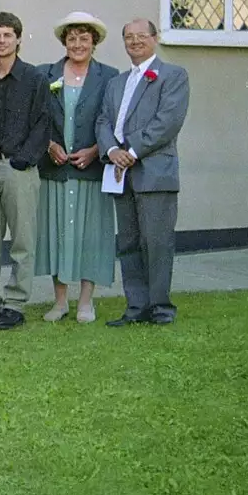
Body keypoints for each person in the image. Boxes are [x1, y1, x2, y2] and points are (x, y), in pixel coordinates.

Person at [98, 19, 191, 326]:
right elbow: (103, 121)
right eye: (128, 37)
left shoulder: (173, 76)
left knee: (157, 242)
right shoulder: (116, 82)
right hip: (120, 174)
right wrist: (113, 152)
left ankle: (160, 308)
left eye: (141, 36)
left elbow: (167, 122)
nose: (134, 41)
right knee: (128, 243)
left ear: (155, 38)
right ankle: (136, 307)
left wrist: (132, 152)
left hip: (154, 173)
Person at [33, 13, 120, 323]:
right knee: (56, 232)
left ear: (94, 42)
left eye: (85, 38)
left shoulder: (110, 77)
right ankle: (59, 302)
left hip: (91, 170)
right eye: (72, 38)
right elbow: (37, 119)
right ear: (64, 42)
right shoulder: (46, 75)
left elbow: (114, 121)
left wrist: (96, 151)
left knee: (90, 236)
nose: (78, 44)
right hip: (55, 169)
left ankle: (85, 302)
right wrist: (48, 146)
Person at [0, 11, 49, 331]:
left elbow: (44, 123)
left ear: (18, 38)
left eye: (7, 35)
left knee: (21, 240)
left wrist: (24, 159)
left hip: (18, 168)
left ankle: (15, 302)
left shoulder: (34, 78)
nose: (1, 41)